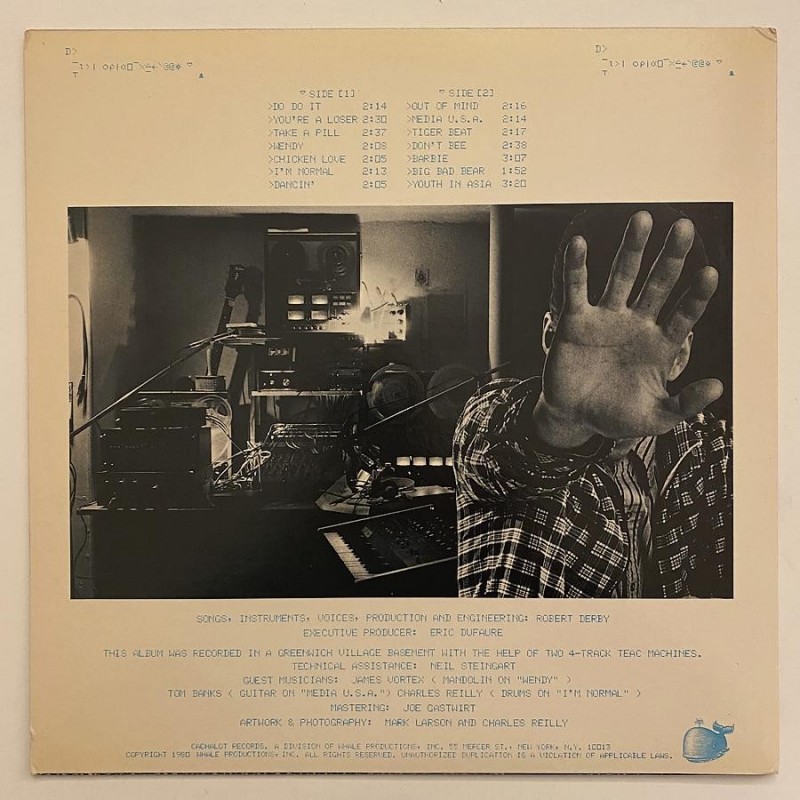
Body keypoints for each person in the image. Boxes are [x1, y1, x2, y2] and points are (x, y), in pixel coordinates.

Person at [454, 206, 732, 598]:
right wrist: (562, 425)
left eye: (634, 350)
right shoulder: (493, 422)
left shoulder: (713, 452)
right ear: (550, 336)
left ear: (681, 355)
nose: (612, 368)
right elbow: (490, 454)